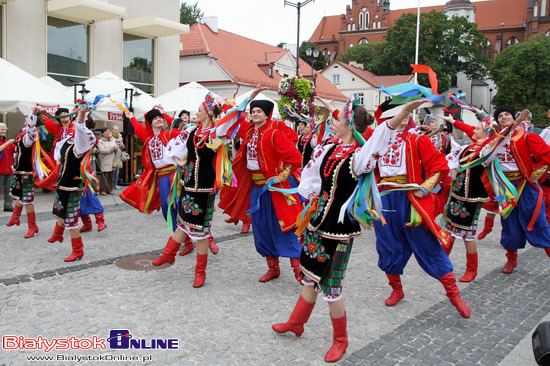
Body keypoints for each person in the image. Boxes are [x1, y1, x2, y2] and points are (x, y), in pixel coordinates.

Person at [272, 96, 423, 363]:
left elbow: (381, 137)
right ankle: (296, 323)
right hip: (318, 222)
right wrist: (306, 198)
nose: (332, 122)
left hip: (339, 230)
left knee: (331, 288)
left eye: (338, 120)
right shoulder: (329, 149)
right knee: (310, 275)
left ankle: (341, 339)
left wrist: (404, 112)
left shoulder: (360, 156)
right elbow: (312, 177)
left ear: (350, 124)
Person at [372, 103, 471, 319]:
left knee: (426, 244)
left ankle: (453, 294)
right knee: (387, 246)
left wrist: (424, 188)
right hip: (385, 199)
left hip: (409, 199)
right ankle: (396, 289)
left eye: (408, 114)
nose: (405, 118)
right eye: (401, 114)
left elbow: (439, 166)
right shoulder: (377, 140)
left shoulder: (417, 139)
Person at [218, 89, 303, 282]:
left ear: (267, 115)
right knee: (261, 227)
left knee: (284, 227)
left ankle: (298, 269)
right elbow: (235, 117)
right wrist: (244, 98)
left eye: (259, 111)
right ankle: (273, 268)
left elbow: (295, 158)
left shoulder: (274, 133)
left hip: (274, 189)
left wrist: (280, 177)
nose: (255, 114)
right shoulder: (249, 132)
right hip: (256, 188)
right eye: (253, 111)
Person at [151, 93, 225, 287]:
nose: (196, 113)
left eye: (199, 110)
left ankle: (200, 272)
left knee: (199, 229)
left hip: (204, 187)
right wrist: (180, 162)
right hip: (187, 183)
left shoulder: (215, 133)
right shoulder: (192, 131)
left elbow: (232, 120)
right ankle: (168, 255)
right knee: (183, 221)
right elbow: (180, 151)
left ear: (208, 113)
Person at [490, 106, 550, 273]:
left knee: (538, 221)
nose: (503, 117)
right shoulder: (495, 141)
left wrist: (535, 174)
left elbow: (547, 156)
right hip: (503, 189)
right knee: (508, 223)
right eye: (500, 116)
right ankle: (511, 259)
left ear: (513, 117)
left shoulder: (527, 137)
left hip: (526, 187)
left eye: (507, 114)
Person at [48, 107, 97, 261]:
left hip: (74, 185)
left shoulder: (81, 142)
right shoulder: (66, 141)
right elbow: (58, 154)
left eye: (76, 121)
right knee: (59, 210)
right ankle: (58, 234)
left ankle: (78, 250)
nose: (74, 123)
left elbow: (82, 128)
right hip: (63, 183)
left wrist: (81, 115)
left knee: (71, 219)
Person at [119, 108, 178, 231]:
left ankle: (189, 235)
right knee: (166, 206)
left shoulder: (170, 134)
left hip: (174, 174)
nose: (159, 119)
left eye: (160, 117)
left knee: (177, 204)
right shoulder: (149, 138)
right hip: (160, 177)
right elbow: (139, 129)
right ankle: (180, 236)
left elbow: (182, 132)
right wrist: (132, 118)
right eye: (155, 118)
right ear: (150, 123)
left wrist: (165, 114)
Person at [5, 108, 44, 238]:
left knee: (27, 200)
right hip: (19, 170)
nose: (26, 118)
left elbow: (31, 128)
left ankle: (32, 226)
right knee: (20, 195)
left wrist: (33, 114)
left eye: (28, 117)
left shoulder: (30, 135)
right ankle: (15, 217)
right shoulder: (23, 134)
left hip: (26, 171)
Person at [97, 128, 117, 195]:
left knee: (111, 176)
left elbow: (116, 145)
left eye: (109, 131)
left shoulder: (112, 139)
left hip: (112, 159)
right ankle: (103, 190)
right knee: (104, 175)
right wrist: (111, 149)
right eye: (106, 132)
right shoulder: (100, 141)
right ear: (103, 133)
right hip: (105, 159)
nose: (108, 133)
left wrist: (116, 147)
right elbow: (102, 150)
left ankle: (109, 189)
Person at [0, 123, 15, 212]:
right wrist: (8, 143)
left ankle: (8, 205)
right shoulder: (7, 142)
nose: (3, 131)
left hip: (9, 170)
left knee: (9, 189)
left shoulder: (7, 141)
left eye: (4, 129)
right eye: (1, 129)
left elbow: (16, 149)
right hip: (0, 170)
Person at [110, 125, 125, 190]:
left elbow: (123, 147)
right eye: (115, 130)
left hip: (118, 155)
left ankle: (115, 184)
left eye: (118, 130)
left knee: (117, 171)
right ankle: (111, 184)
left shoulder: (120, 136)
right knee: (112, 171)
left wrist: (122, 145)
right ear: (112, 130)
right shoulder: (110, 136)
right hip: (112, 155)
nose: (117, 131)